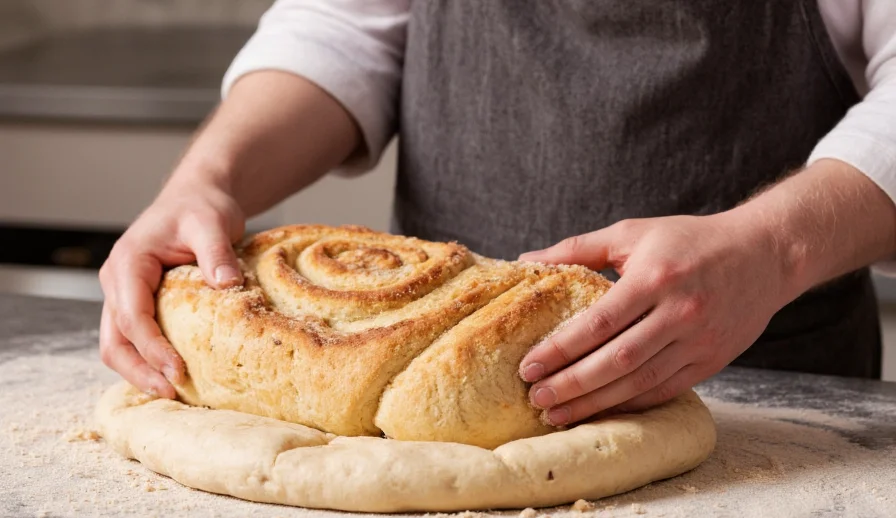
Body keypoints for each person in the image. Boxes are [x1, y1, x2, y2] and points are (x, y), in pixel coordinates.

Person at [99, 1, 896, 427]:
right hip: (421, 413)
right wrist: (207, 178)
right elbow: (345, 27)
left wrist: (770, 248)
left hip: (770, 408)